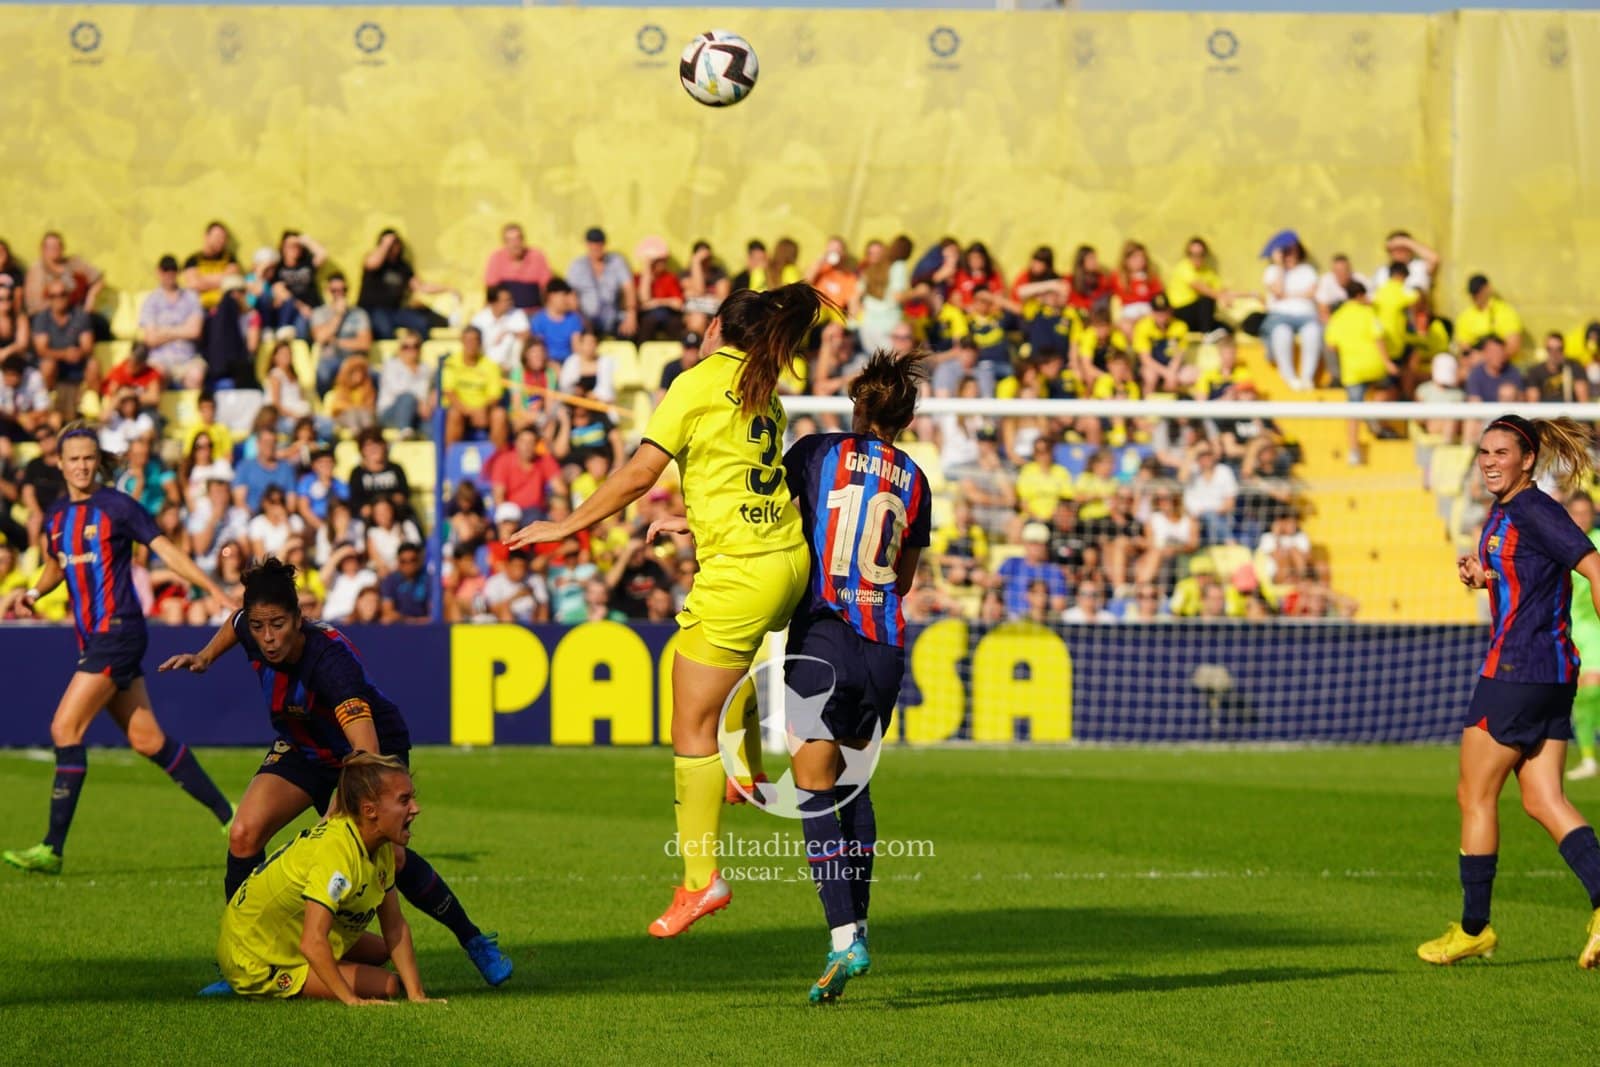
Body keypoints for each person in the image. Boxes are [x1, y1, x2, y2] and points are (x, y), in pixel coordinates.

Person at [505, 283, 825, 938]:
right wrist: (691, 523)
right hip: (786, 560)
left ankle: (700, 880)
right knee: (718, 677)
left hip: (741, 574)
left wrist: (565, 525)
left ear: (714, 328)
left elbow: (635, 475)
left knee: (689, 719)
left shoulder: (695, 382)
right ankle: (748, 772)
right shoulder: (767, 389)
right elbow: (745, 476)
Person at [159, 558, 513, 987]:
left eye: (278, 625)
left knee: (391, 857)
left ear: (299, 619)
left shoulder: (330, 662)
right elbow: (235, 623)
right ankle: (245, 959)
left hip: (369, 752)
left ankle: (473, 939)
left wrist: (337, 815)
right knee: (243, 834)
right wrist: (204, 657)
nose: (268, 638)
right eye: (259, 626)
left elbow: (365, 752)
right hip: (305, 747)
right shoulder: (251, 628)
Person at [0, 424, 234, 875]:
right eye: (74, 459)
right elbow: (56, 566)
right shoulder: (57, 514)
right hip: (96, 638)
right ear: (61, 464)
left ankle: (51, 848)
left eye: (89, 458)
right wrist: (32, 593)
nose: (82, 466)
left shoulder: (118, 507)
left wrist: (214, 589)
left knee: (64, 728)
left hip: (119, 632)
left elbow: (168, 552)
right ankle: (230, 814)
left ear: (96, 461)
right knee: (148, 740)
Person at [777, 349, 931, 1003]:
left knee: (811, 783)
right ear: (904, 416)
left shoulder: (813, 454)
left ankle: (844, 938)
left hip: (824, 633)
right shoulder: (916, 478)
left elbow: (766, 525)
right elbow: (906, 575)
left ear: (855, 404)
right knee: (854, 784)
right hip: (885, 644)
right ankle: (855, 929)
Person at [1418, 415, 1600, 967]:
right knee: (1544, 799)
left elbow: (1592, 565)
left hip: (1516, 672)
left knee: (1473, 795)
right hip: (1548, 674)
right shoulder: (1507, 513)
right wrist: (1485, 575)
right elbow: (1533, 574)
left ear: (1527, 460)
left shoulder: (1536, 509)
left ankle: (1475, 927)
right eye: (1483, 452)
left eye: (1501, 452)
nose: (1490, 461)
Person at [213, 752, 443, 1003]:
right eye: (404, 800)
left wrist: (417, 995)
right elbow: (312, 941)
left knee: (383, 951)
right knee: (387, 985)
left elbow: (394, 926)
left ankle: (325, 970)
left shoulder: (380, 845)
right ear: (369, 810)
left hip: (287, 934)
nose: (416, 809)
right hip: (253, 957)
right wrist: (353, 1000)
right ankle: (272, 978)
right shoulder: (336, 856)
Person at [1565, 494, 1600, 781]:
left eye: (1585, 513)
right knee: (1580, 697)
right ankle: (1588, 758)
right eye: (1575, 513)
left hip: (1597, 629)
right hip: (1573, 630)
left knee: (1591, 690)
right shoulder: (1562, 544)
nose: (1581, 518)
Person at [567, 227, 636, 339]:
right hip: (587, 318)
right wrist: (580, 318)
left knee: (630, 331)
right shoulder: (577, 265)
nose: (596, 247)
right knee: (577, 332)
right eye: (593, 243)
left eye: (599, 243)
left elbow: (629, 288)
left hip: (612, 317)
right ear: (587, 245)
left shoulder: (616, 261)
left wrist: (631, 313)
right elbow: (571, 295)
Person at [484, 223, 551, 312]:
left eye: (517, 238)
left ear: (523, 240)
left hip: (533, 312)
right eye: (510, 240)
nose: (515, 244)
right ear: (504, 243)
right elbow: (491, 290)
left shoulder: (537, 256)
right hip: (506, 313)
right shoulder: (496, 257)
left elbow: (547, 288)